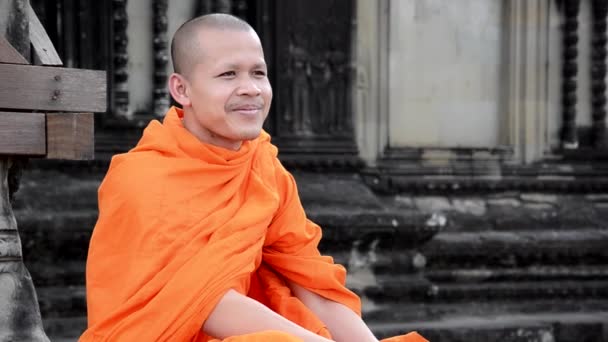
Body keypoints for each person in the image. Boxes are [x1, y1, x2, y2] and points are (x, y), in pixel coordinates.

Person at [80, 13, 427, 342]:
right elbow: (204, 301)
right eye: (228, 74)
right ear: (182, 90)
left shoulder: (262, 167)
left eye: (258, 73)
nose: (251, 89)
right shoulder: (144, 178)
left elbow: (312, 284)